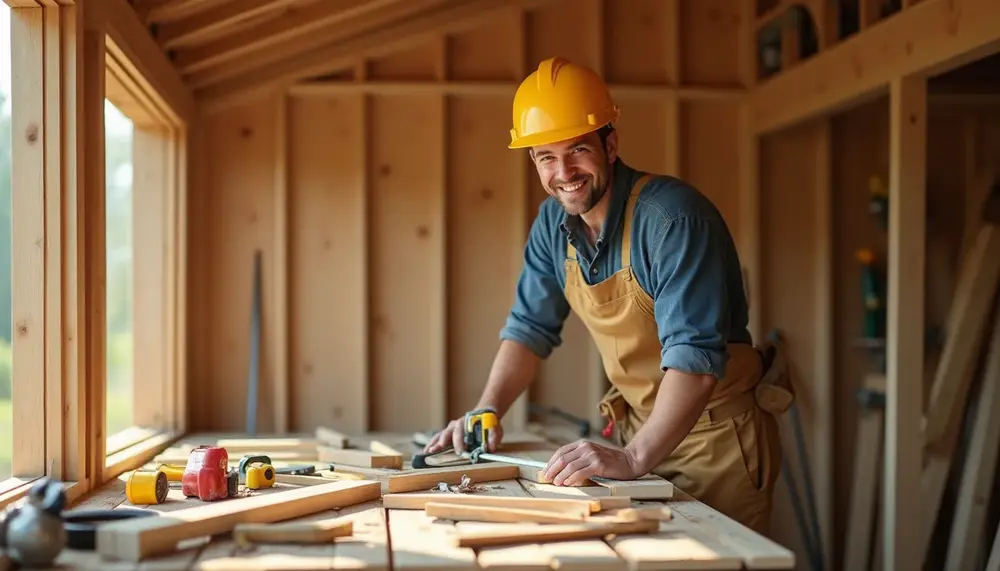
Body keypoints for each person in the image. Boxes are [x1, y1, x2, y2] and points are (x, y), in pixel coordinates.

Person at [423, 56, 782, 535]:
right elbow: (529, 330)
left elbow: (694, 362)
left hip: (715, 442)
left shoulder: (672, 220)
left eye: (577, 150)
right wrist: (486, 411)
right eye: (545, 157)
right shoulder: (553, 225)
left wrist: (634, 458)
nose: (563, 172)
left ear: (610, 144)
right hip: (638, 433)